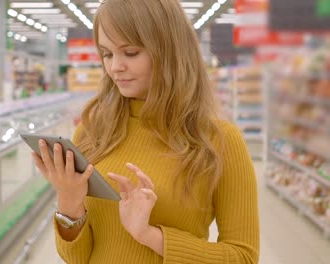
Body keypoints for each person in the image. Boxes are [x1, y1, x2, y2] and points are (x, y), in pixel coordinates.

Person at [31, 0, 260, 263]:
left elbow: (244, 256)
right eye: (107, 54)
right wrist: (69, 204)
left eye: (130, 52)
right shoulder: (92, 132)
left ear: (169, 50)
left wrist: (150, 236)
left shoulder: (219, 140)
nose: (116, 66)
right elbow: (78, 258)